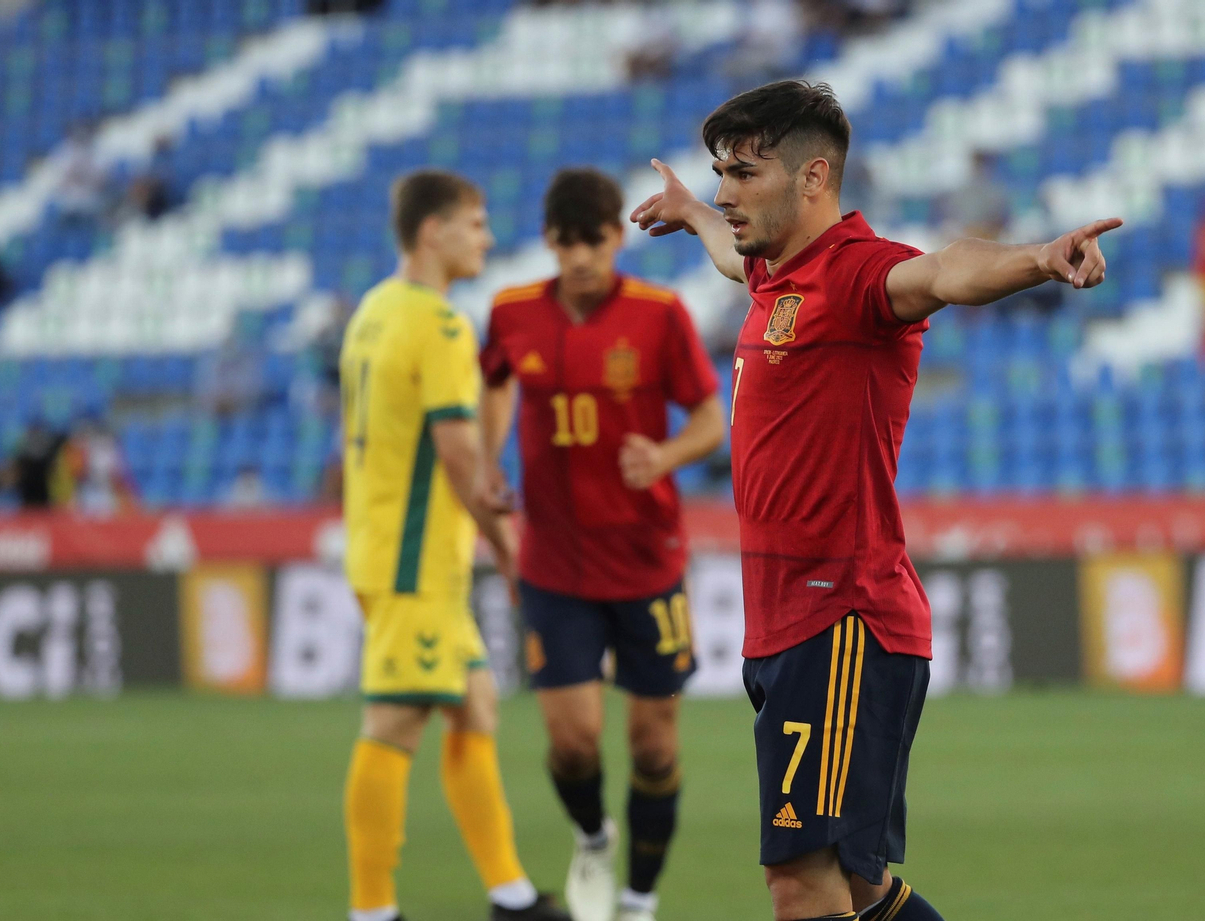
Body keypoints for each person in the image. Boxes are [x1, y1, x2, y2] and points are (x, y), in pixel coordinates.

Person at [628, 80, 1118, 921]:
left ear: (813, 178)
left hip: (841, 616)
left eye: (743, 175)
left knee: (799, 882)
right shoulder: (776, 277)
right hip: (786, 620)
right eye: (718, 175)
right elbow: (728, 254)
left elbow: (943, 271)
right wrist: (694, 214)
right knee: (861, 887)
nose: (724, 193)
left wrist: (1039, 257)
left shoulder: (859, 273)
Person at [479, 168, 724, 921]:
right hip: (553, 563)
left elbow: (713, 418)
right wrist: (488, 458)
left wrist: (664, 456)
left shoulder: (659, 314)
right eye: (567, 241)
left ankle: (639, 896)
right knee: (574, 740)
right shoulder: (512, 313)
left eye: (596, 239)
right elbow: (492, 384)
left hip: (647, 561)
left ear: (617, 237)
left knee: (653, 746)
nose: (582, 256)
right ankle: (592, 835)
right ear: (549, 241)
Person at [338, 169, 571, 921]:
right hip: (414, 558)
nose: (488, 238)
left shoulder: (373, 310)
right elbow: (462, 456)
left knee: (474, 704)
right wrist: (510, 551)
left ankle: (510, 894)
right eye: (476, 224)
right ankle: (372, 910)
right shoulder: (437, 323)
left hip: (389, 546)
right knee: (395, 720)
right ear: (433, 231)